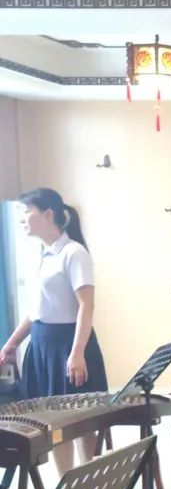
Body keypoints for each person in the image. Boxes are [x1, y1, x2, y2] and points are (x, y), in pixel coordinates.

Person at [0, 188, 107, 473]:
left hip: (68, 345)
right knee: (53, 424)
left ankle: (89, 481)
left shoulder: (73, 252)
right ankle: (66, 487)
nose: (23, 218)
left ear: (48, 214)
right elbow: (36, 312)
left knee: (80, 422)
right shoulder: (44, 255)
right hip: (42, 345)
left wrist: (77, 353)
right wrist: (11, 344)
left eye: (28, 212)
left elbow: (87, 305)